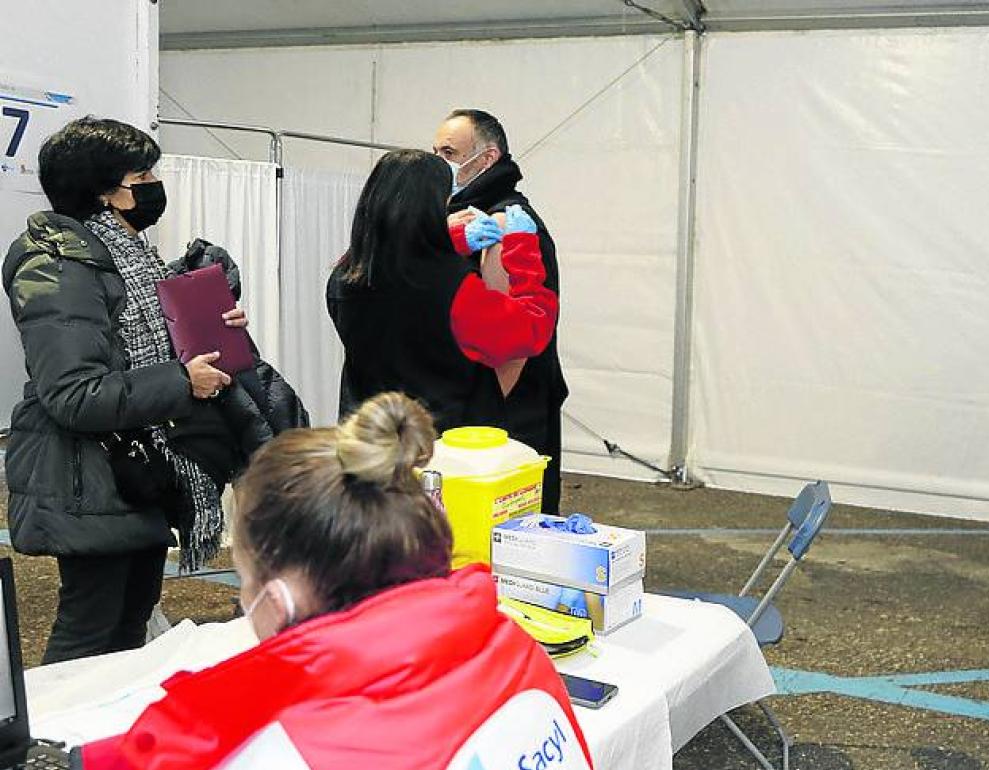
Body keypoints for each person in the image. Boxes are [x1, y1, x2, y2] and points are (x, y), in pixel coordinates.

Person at [78, 393, 593, 770]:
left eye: (246, 576)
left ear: (277, 601)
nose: (242, 598)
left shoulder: (284, 749)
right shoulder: (512, 651)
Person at [2, 117, 250, 664]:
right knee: (90, 632)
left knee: (131, 621)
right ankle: (54, 745)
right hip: (87, 479)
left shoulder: (123, 255)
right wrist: (181, 381)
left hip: (138, 469)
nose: (153, 184)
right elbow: (73, 394)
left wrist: (213, 326)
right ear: (106, 190)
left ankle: (101, 745)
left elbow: (144, 342)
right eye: (143, 174)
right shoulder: (58, 267)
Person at [327, 149, 557, 441]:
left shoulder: (343, 276)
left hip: (369, 434)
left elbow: (398, 274)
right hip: (442, 445)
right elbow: (531, 328)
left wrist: (452, 241)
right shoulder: (453, 288)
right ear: (434, 207)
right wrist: (523, 251)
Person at [435, 109, 569, 512]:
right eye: (435, 150)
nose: (440, 161)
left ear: (488, 158)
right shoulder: (455, 218)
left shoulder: (504, 222)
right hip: (479, 402)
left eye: (449, 151)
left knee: (506, 523)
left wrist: (491, 407)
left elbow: (512, 339)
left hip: (501, 410)